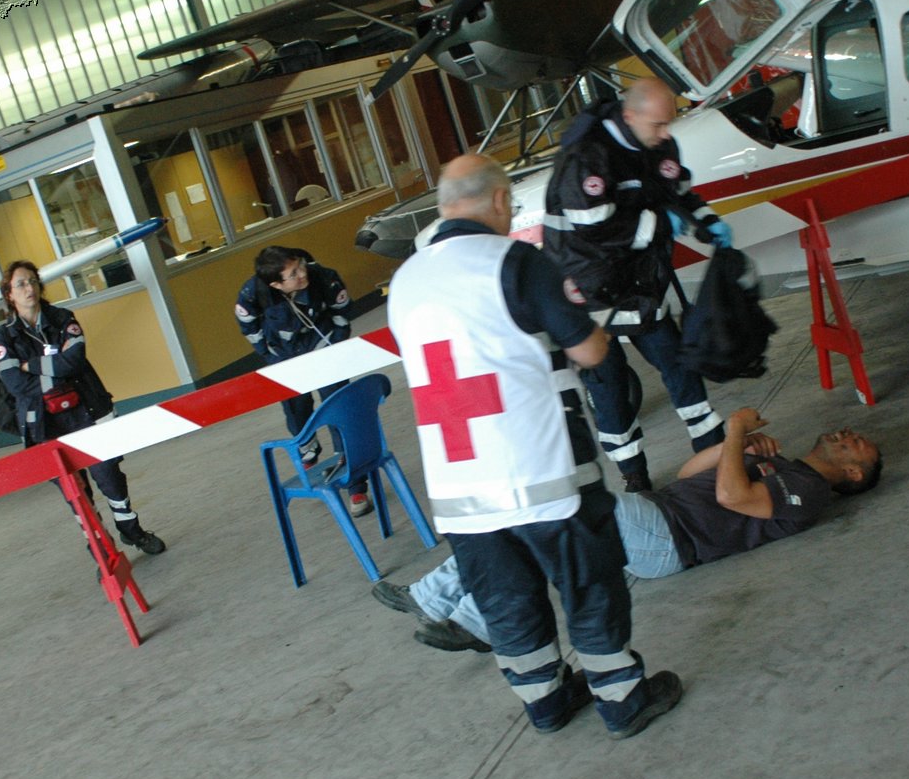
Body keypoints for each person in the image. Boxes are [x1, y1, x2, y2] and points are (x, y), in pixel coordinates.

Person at [386, 153, 684, 740]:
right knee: (590, 584)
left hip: (459, 486)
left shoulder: (405, 281)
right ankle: (622, 699)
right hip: (543, 473)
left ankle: (544, 704)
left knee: (505, 600)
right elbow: (591, 352)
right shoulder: (516, 262)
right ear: (500, 201)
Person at [375, 409, 882, 648]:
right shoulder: (787, 467)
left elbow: (731, 497)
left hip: (671, 540)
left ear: (854, 475)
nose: (850, 435)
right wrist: (742, 448)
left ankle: (475, 620)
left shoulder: (810, 493)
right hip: (657, 518)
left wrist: (731, 433)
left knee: (555, 504)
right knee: (526, 519)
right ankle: (437, 599)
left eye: (859, 446)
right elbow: (690, 475)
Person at [544, 78, 734, 494]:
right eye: (658, 125)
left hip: (638, 277)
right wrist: (657, 224)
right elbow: (593, 227)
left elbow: (678, 189)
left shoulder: (656, 143)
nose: (666, 134)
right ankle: (634, 478)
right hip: (586, 284)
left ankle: (715, 455)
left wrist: (706, 221)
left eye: (670, 125)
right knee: (608, 385)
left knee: (678, 364)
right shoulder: (587, 156)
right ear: (629, 117)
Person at [0, 261, 166, 556]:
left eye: (33, 281)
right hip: (44, 423)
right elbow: (14, 383)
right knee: (74, 490)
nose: (29, 288)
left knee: (108, 474)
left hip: (86, 410)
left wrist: (30, 365)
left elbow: (73, 361)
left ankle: (130, 529)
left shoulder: (62, 318)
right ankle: (100, 547)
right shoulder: (2, 336)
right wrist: (57, 379)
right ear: (9, 294)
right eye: (20, 284)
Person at [234, 245, 372, 518]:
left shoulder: (324, 278)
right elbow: (249, 327)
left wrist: (335, 344)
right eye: (293, 273)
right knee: (297, 414)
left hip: (323, 347)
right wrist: (270, 356)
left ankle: (355, 485)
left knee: (338, 412)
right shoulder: (252, 294)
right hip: (286, 357)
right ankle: (309, 456)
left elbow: (343, 310)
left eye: (300, 266)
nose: (302, 273)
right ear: (276, 283)